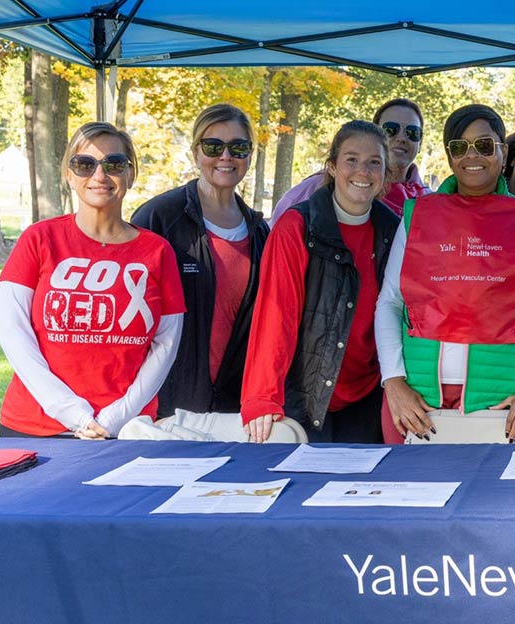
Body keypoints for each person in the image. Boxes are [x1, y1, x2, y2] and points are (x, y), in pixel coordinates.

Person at [375, 104, 515, 444]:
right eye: (459, 146)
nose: (472, 155)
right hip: (414, 401)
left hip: (499, 400)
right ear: (449, 156)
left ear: (504, 152)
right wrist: (394, 381)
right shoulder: (417, 216)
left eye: (485, 145)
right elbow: (390, 302)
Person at [0, 122, 184, 438]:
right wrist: (74, 414)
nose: (99, 175)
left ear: (130, 174)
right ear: (70, 175)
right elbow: (11, 331)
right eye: (84, 165)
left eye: (114, 164)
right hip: (35, 428)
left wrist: (116, 417)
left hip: (126, 429)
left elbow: (166, 343)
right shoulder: (39, 239)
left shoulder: (158, 251)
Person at [240, 121, 400, 443]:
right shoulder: (297, 226)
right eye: (351, 160)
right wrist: (262, 396)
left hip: (367, 396)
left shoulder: (392, 229)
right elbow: (276, 315)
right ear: (332, 167)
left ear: (386, 174)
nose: (363, 171)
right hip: (305, 395)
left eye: (374, 163)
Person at [131, 104, 269, 418]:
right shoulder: (160, 218)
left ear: (249, 155)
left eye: (239, 147)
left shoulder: (259, 230)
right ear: (196, 152)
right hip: (166, 403)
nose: (226, 156)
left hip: (233, 405)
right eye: (213, 146)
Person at [270, 98, 429, 226]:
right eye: (390, 129)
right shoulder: (314, 187)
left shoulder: (430, 201)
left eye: (412, 132)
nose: (401, 138)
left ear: (420, 143)